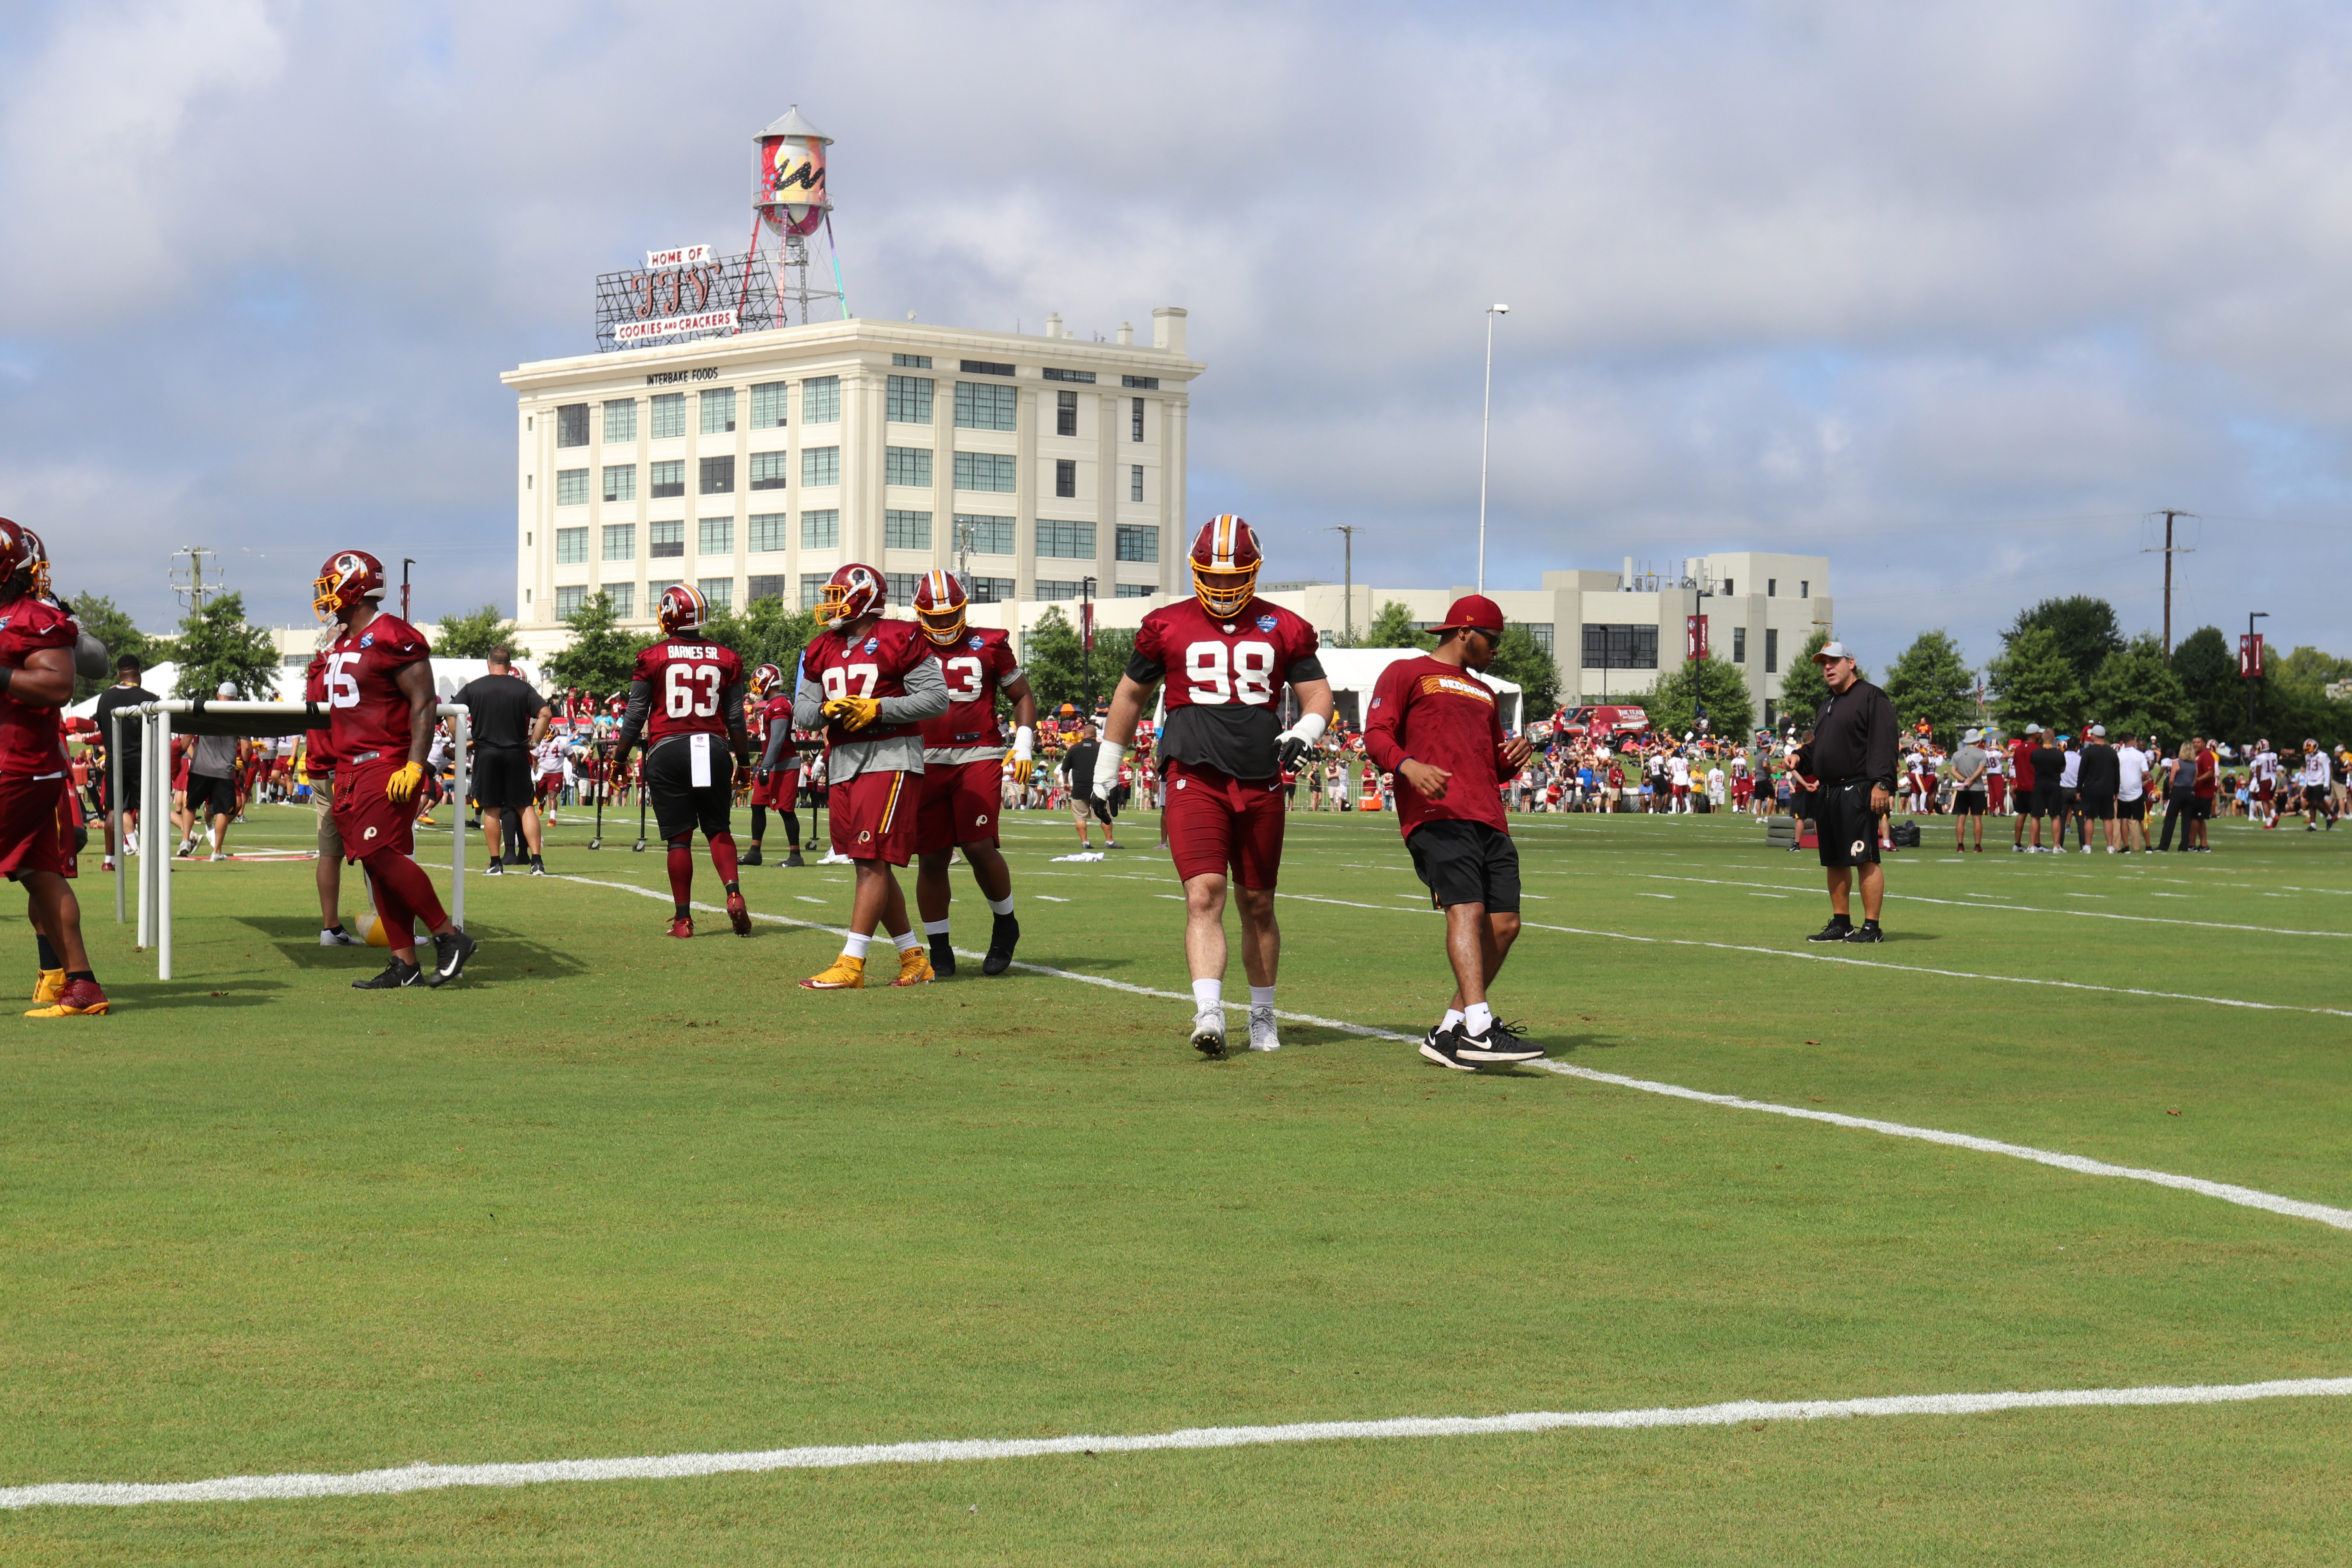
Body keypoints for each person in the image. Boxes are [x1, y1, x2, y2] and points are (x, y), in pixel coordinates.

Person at [1093, 514, 1334, 1057]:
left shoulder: (1285, 626)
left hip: (1261, 775)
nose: (1224, 587)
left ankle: (1264, 1011)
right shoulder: (1166, 624)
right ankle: (1209, 1012)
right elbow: (1129, 697)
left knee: (1258, 903)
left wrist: (1307, 730)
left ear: (1253, 572)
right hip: (1193, 772)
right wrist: (1107, 769)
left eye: (1234, 576)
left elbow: (1320, 696)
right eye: (1214, 576)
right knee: (1204, 894)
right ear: (1197, 571)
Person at [1364, 594, 1547, 1070]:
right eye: (1494, 638)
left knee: (1505, 925)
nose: (1497, 649)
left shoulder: (1486, 694)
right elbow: (1377, 734)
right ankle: (1482, 1028)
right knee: (1466, 910)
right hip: (1436, 815)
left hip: (1489, 816)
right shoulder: (1406, 672)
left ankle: (1449, 1031)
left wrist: (1508, 762)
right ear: (1464, 630)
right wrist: (1408, 766)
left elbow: (1486, 766)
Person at [314, 549, 476, 989]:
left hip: (384, 763)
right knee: (376, 864)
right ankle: (405, 963)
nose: (326, 595)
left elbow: (424, 702)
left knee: (379, 854)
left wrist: (415, 764)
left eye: (331, 585)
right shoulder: (342, 640)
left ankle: (448, 934)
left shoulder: (393, 634)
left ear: (356, 586)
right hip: (350, 766)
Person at [794, 564, 950, 989]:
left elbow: (937, 698)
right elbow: (803, 711)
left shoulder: (901, 636)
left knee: (870, 861)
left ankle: (852, 962)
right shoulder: (820, 647)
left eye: (836, 595)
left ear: (863, 596)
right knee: (869, 862)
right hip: (844, 759)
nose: (829, 605)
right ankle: (914, 958)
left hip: (891, 755)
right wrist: (828, 710)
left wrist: (878, 709)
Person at [0, 523, 107, 1016]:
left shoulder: (33, 618)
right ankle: (82, 986)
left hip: (17, 767)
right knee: (42, 874)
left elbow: (59, 684)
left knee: (42, 874)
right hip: (26, 766)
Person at [910, 570, 1036, 978]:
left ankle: (1005, 923)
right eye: (937, 617)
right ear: (920, 615)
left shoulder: (991, 642)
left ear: (963, 610)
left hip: (977, 752)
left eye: (951, 616)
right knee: (931, 858)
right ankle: (940, 947)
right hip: (923, 758)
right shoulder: (905, 646)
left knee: (978, 844)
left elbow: (1022, 695)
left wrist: (1024, 743)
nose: (945, 625)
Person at [610, 585, 752, 939]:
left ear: (671, 614)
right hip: (711, 747)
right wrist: (745, 763)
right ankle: (733, 892)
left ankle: (683, 920)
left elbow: (635, 715)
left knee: (680, 840)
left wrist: (618, 758)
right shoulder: (726, 657)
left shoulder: (653, 656)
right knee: (718, 827)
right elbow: (736, 718)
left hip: (669, 749)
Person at [1794, 641, 1897, 944]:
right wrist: (1800, 757)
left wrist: (1882, 783)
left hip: (1858, 788)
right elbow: (1820, 747)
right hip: (1829, 792)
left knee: (1864, 857)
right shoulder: (1828, 703)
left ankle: (1872, 927)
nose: (1827, 667)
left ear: (1850, 663)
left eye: (1833, 661)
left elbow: (1885, 742)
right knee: (1835, 860)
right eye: (1823, 663)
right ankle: (1842, 923)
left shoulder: (1871, 696)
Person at [454, 647, 553, 877]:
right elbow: (546, 714)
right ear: (510, 666)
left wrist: (458, 739)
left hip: (487, 752)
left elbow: (453, 712)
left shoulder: (474, 687)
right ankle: (537, 862)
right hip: (516, 752)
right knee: (525, 806)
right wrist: (534, 742)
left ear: (489, 663)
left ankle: (495, 863)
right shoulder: (523, 688)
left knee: (491, 809)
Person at [92, 656, 156, 873]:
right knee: (148, 810)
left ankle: (109, 860)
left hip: (115, 761)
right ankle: (152, 862)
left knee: (113, 810)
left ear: (119, 673)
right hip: (142, 761)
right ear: (139, 671)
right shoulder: (149, 698)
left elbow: (100, 728)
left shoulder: (105, 697)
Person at [176, 685, 248, 862]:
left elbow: (187, 739)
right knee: (223, 811)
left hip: (201, 767)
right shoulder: (239, 716)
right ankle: (217, 851)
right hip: (224, 771)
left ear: (218, 695)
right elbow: (246, 747)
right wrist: (245, 768)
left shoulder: (204, 710)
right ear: (236, 698)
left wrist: (177, 756)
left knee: (191, 805)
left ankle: (186, 840)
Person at [746, 661, 806, 867]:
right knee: (757, 806)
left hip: (783, 765)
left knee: (786, 810)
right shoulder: (773, 704)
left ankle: (796, 856)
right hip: (772, 765)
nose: (756, 688)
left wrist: (765, 766)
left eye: (758, 683)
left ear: (767, 681)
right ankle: (755, 852)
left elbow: (778, 739)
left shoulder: (780, 704)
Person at [1060, 723, 1115, 851]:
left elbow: (1065, 769)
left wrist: (1066, 782)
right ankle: (1110, 841)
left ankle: (1085, 842)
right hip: (1099, 787)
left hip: (1080, 788)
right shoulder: (1102, 748)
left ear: (1083, 734)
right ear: (1095, 736)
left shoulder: (1074, 749)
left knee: (1080, 817)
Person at [2076, 724, 2121, 853]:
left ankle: (2088, 846)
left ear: (2094, 736)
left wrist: (2079, 790)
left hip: (2091, 789)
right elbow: (2117, 773)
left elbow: (2082, 773)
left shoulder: (2089, 752)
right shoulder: (2112, 752)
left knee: (2090, 817)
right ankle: (2110, 846)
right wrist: (2116, 791)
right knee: (2108, 818)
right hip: (2107, 789)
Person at [2025, 726, 2067, 856]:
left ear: (2042, 738)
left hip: (2039, 785)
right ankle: (2056, 846)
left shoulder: (2036, 753)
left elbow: (2033, 766)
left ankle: (2032, 846)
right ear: (2054, 739)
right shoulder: (2059, 754)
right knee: (2055, 816)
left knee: (2036, 816)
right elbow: (2063, 769)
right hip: (2054, 785)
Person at [1949, 727, 1989, 850]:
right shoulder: (1981, 753)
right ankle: (1977, 846)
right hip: (1977, 788)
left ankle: (1960, 846)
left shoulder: (1957, 754)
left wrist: (1964, 780)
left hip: (1963, 789)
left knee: (1961, 817)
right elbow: (1981, 769)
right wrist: (1971, 779)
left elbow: (1953, 771)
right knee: (1977, 818)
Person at [2115, 731, 2152, 852]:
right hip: (2137, 791)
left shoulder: (2119, 755)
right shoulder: (2140, 755)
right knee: (2142, 819)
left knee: (2124, 820)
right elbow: (2146, 773)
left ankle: (2126, 847)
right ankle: (2148, 846)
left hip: (2123, 791)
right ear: (2132, 741)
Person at [2008, 724, 2042, 850]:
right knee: (2036, 816)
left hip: (2021, 785)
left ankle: (2017, 844)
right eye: (2038, 733)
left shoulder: (2019, 748)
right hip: (2034, 785)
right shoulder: (2037, 749)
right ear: (2034, 734)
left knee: (2022, 814)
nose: (2040, 735)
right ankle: (2036, 844)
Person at [2298, 738, 2332, 831]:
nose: (2308, 752)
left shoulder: (2323, 756)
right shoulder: (2308, 756)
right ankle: (2313, 825)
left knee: (2316, 803)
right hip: (2310, 782)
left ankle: (2329, 816)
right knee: (2312, 805)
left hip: (2320, 782)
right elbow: (2308, 771)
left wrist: (2326, 784)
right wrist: (2306, 784)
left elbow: (2327, 771)